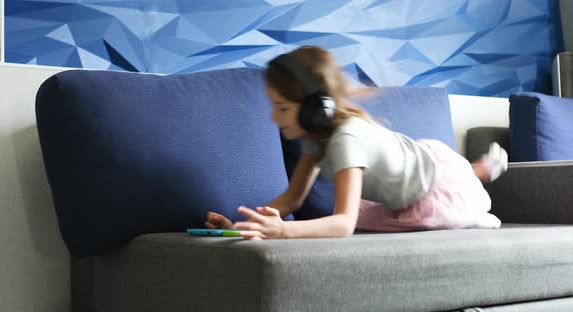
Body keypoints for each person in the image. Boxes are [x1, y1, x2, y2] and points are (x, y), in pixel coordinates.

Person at [205, 46, 507, 240]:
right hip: (412, 167)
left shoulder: (344, 139)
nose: (273, 117)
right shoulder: (316, 137)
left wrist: (283, 230)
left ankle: (478, 178)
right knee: (367, 215)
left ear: (314, 108)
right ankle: (475, 169)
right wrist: (240, 227)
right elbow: (292, 199)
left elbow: (344, 225)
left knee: (455, 187)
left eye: (282, 108)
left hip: (429, 185)